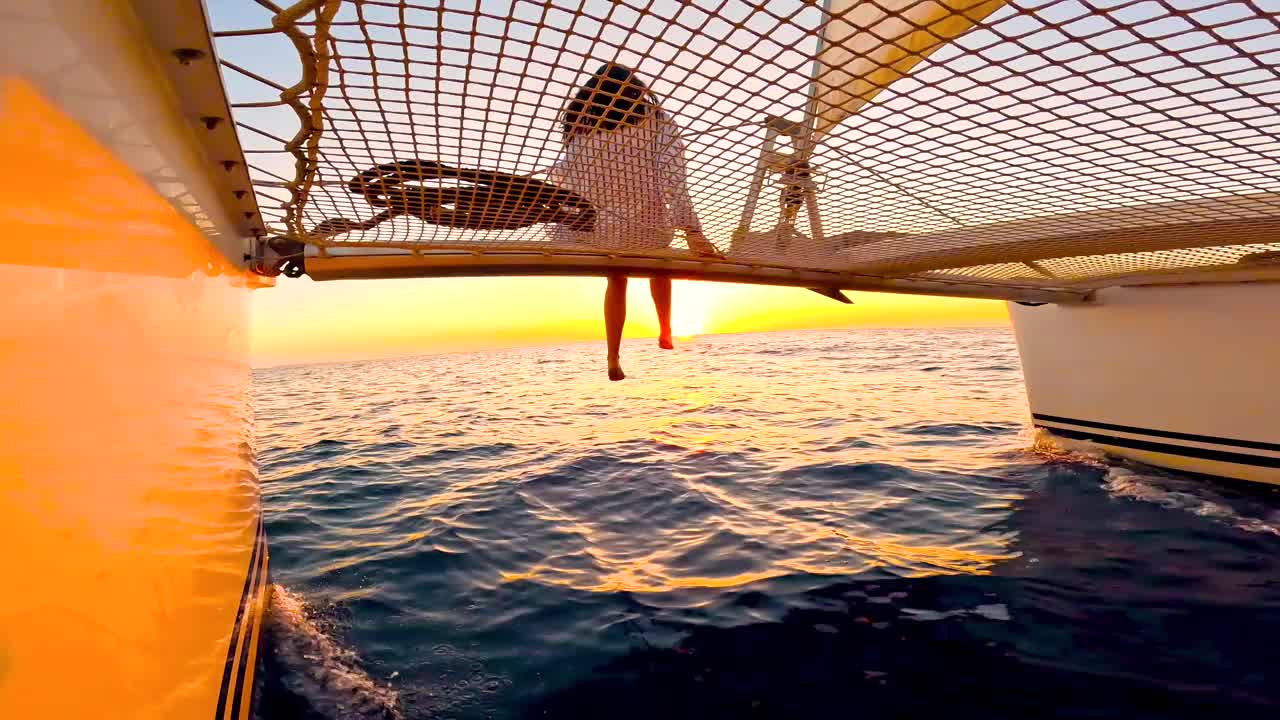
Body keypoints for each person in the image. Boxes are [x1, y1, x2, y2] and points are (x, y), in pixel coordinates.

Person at [547, 63, 719, 381]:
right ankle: (665, 330)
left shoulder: (581, 127)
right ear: (638, 93)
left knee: (617, 278)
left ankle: (613, 357)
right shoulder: (657, 122)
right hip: (648, 228)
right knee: (660, 264)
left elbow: (566, 178)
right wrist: (694, 233)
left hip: (597, 232)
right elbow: (673, 179)